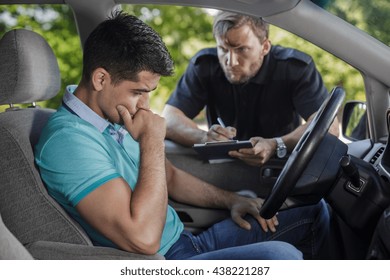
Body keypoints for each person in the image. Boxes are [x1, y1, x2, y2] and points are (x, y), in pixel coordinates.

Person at [35, 11, 329, 260]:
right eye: (138, 92)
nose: (146, 107)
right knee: (283, 258)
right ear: (100, 79)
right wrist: (151, 141)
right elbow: (145, 239)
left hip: (187, 241)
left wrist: (231, 200)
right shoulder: (68, 141)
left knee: (315, 214)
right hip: (168, 259)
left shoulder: (108, 117)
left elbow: (171, 178)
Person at [162, 11, 339, 167]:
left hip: (280, 168)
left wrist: (276, 144)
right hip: (223, 168)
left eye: (241, 49)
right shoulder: (204, 65)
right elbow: (170, 119)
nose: (231, 62)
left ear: (265, 47)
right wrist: (204, 138)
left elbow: (329, 127)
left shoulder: (294, 69)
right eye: (223, 49)